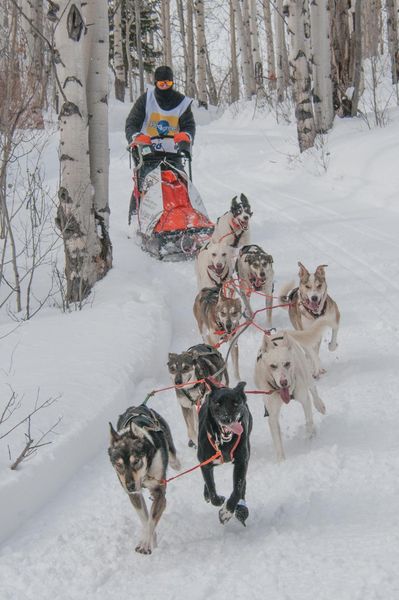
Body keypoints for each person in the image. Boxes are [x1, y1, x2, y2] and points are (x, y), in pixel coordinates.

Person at [125, 65, 195, 179]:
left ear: (172, 83)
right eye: (161, 84)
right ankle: (137, 197)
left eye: (168, 83)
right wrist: (136, 136)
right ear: (156, 83)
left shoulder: (182, 103)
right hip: (147, 153)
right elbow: (132, 122)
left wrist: (186, 136)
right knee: (144, 185)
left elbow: (189, 125)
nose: (165, 87)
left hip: (173, 154)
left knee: (181, 182)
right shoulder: (146, 99)